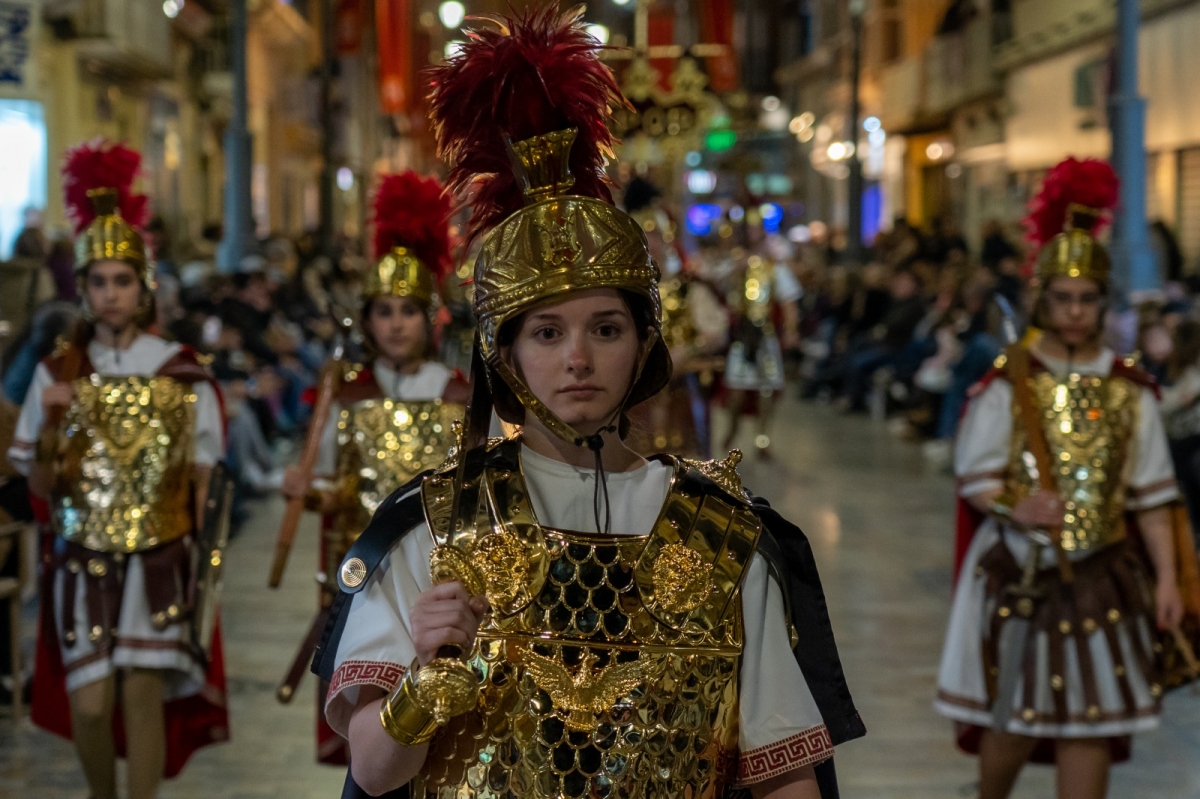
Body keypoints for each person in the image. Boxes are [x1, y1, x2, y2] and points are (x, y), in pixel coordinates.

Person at [311, 8, 864, 799]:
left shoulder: (725, 536)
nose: (577, 357)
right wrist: (425, 684)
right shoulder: (433, 525)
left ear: (644, 344)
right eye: (546, 331)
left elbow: (786, 778)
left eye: (605, 327)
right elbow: (371, 770)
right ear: (505, 353)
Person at [935, 158, 1191, 799]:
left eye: (1087, 299)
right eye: (1064, 298)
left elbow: (1154, 497)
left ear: (1103, 304)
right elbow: (976, 472)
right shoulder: (1011, 379)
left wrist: (1167, 579)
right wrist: (1016, 507)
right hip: (1023, 573)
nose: (1075, 311)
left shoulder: (1131, 389)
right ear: (1043, 299)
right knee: (1015, 715)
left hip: (1104, 571)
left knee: (1091, 723)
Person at [6, 140, 229, 798]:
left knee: (141, 697)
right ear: (83, 286)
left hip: (161, 555)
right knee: (92, 704)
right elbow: (38, 490)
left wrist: (201, 566)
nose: (109, 294)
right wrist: (50, 422)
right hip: (81, 556)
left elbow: (202, 480)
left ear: (143, 285)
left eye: (121, 280)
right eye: (98, 281)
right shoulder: (57, 372)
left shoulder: (180, 370)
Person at [279, 171, 470, 764]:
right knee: (370, 721)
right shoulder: (349, 395)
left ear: (429, 317)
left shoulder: (459, 395)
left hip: (440, 579)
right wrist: (306, 492)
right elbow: (335, 488)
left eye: (407, 311)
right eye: (383, 311)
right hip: (365, 577)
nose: (394, 324)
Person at [622, 177, 727, 457]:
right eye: (642, 235)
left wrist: (686, 352)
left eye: (654, 234)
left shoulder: (687, 289)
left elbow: (716, 334)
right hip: (633, 399)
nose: (649, 243)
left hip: (681, 396)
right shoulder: (620, 296)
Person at [721, 224, 802, 457]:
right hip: (742, 336)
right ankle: (732, 429)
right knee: (736, 389)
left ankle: (762, 439)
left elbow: (788, 301)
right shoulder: (737, 264)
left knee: (766, 389)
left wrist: (791, 330)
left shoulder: (774, 268)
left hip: (765, 335)